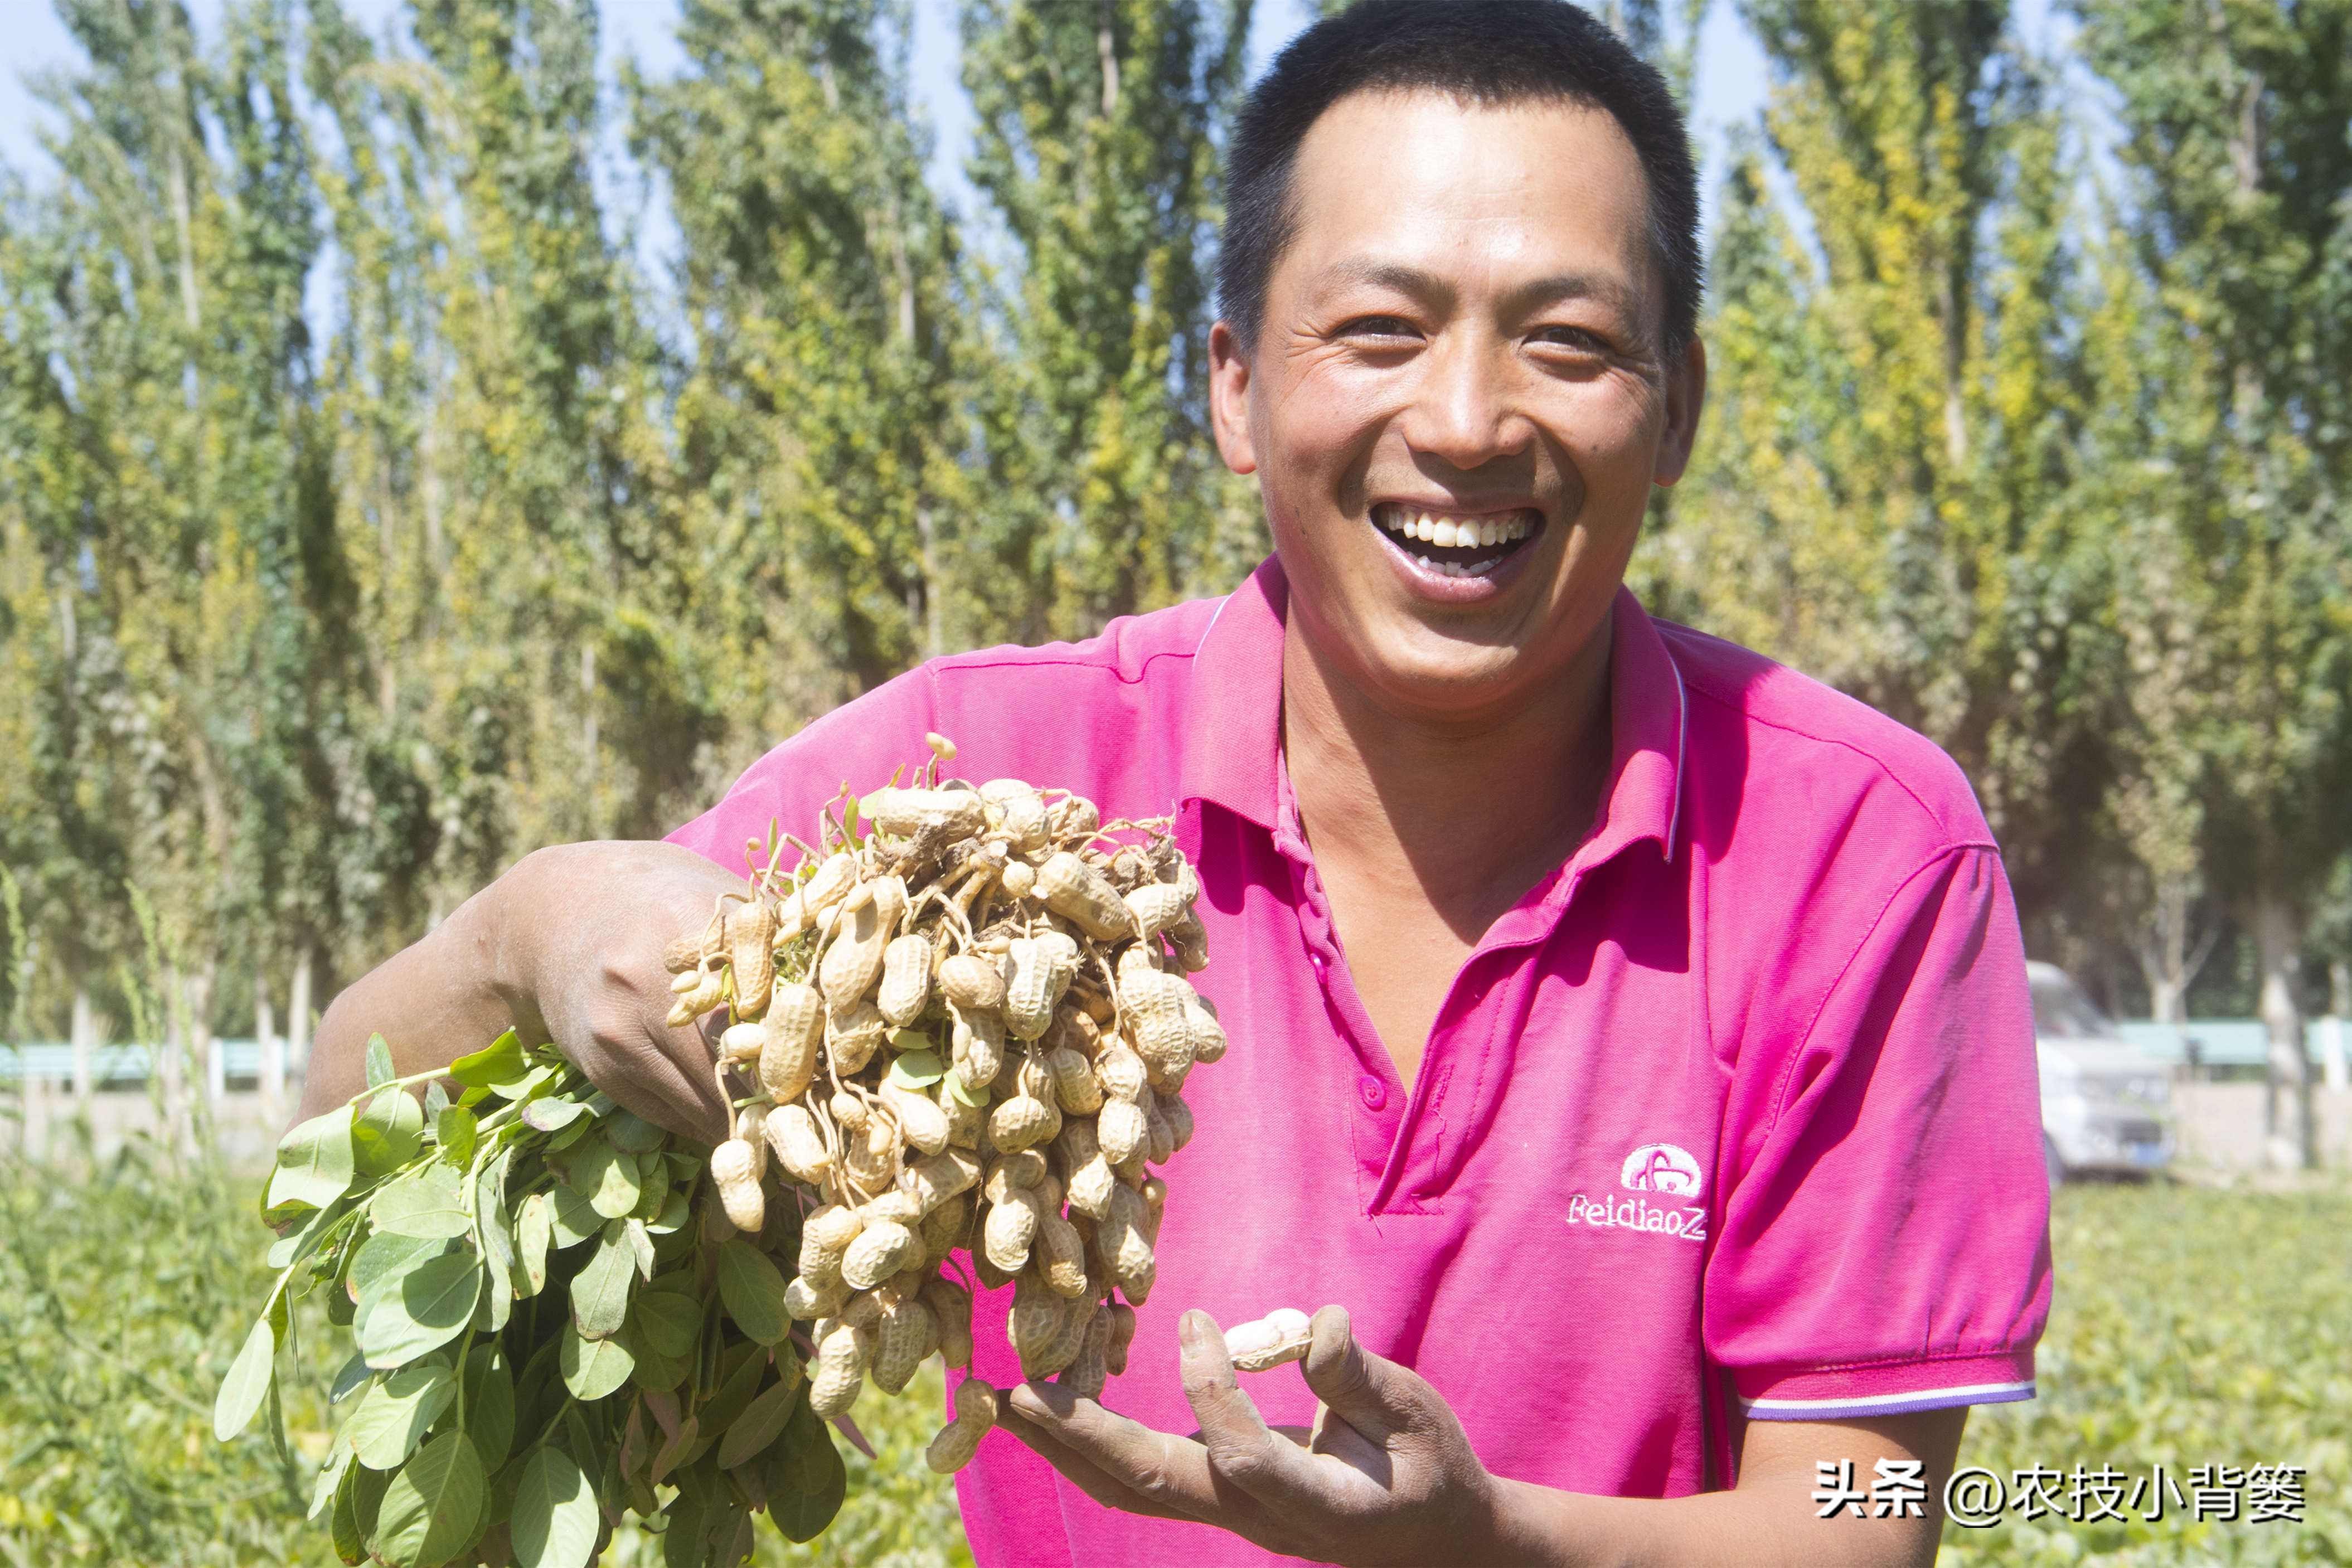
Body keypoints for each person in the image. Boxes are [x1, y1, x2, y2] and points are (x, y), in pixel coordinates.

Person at [299, 2, 2052, 1562]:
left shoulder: (1855, 850)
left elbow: (1859, 1516)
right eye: (1374, 328)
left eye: (1567, 344)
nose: (1462, 421)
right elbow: (335, 1116)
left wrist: (1482, 1543)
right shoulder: (982, 792)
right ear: (1232, 388)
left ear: (1673, 413)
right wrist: (534, 925)